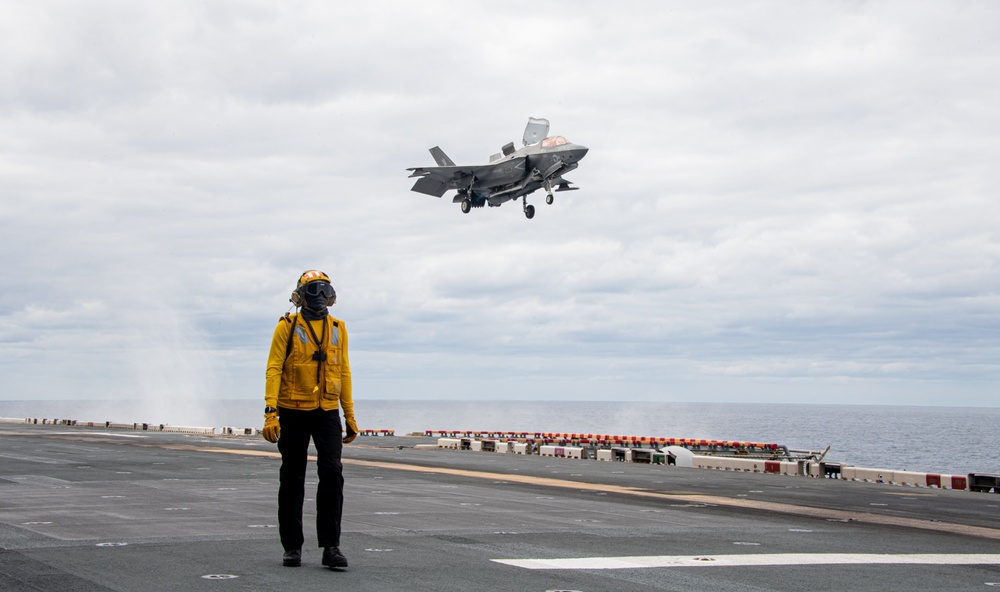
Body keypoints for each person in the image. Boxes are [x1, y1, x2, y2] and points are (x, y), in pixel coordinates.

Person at [262, 269, 358, 569]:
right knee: (292, 478)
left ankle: (331, 546)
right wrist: (270, 411)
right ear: (300, 296)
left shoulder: (338, 328)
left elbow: (343, 371)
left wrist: (349, 414)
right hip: (293, 410)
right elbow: (274, 368)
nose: (319, 298)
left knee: (332, 474)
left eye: (324, 292)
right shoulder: (287, 327)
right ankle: (292, 547)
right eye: (313, 292)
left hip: (327, 411)